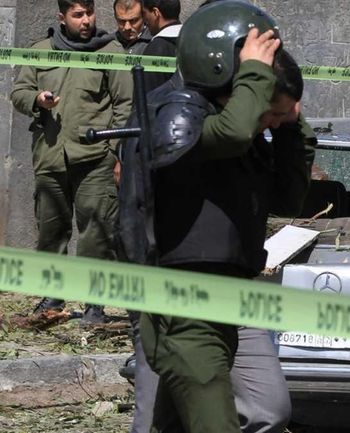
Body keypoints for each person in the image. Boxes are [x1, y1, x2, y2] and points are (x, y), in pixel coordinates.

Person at [121, 2, 314, 431]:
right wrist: (255, 76)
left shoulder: (247, 135)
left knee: (263, 410)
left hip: (230, 296)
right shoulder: (177, 115)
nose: (270, 121)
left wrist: (293, 127)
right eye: (268, 110)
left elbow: (287, 197)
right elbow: (228, 134)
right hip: (178, 299)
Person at [10, 0, 132, 324]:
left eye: (89, 12)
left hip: (94, 158)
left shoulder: (110, 51)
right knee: (51, 231)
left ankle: (95, 305)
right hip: (50, 155)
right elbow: (19, 90)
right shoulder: (40, 50)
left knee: (96, 232)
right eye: (78, 14)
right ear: (61, 17)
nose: (86, 20)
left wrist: (113, 148)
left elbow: (124, 103)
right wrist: (37, 99)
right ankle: (51, 298)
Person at [141, 0, 181, 92]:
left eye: (144, 13)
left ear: (155, 13)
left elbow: (148, 98)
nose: (144, 20)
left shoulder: (155, 49)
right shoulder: (193, 41)